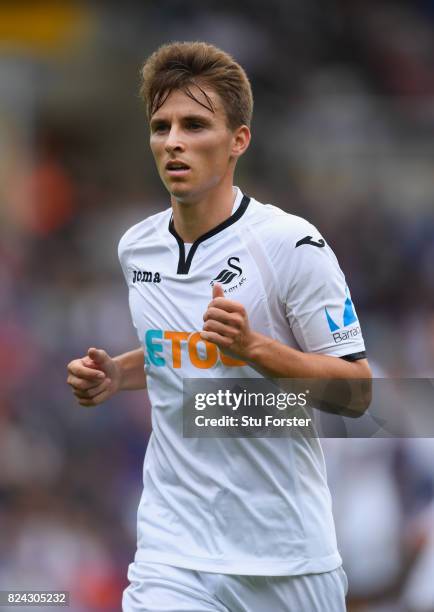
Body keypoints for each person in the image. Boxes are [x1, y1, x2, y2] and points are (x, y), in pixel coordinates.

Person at [67, 41, 372, 612]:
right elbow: (176, 351)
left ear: (238, 140)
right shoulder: (138, 247)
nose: (173, 141)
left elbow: (357, 393)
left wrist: (255, 348)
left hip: (287, 560)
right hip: (173, 553)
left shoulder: (291, 245)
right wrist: (117, 373)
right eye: (161, 126)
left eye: (195, 124)